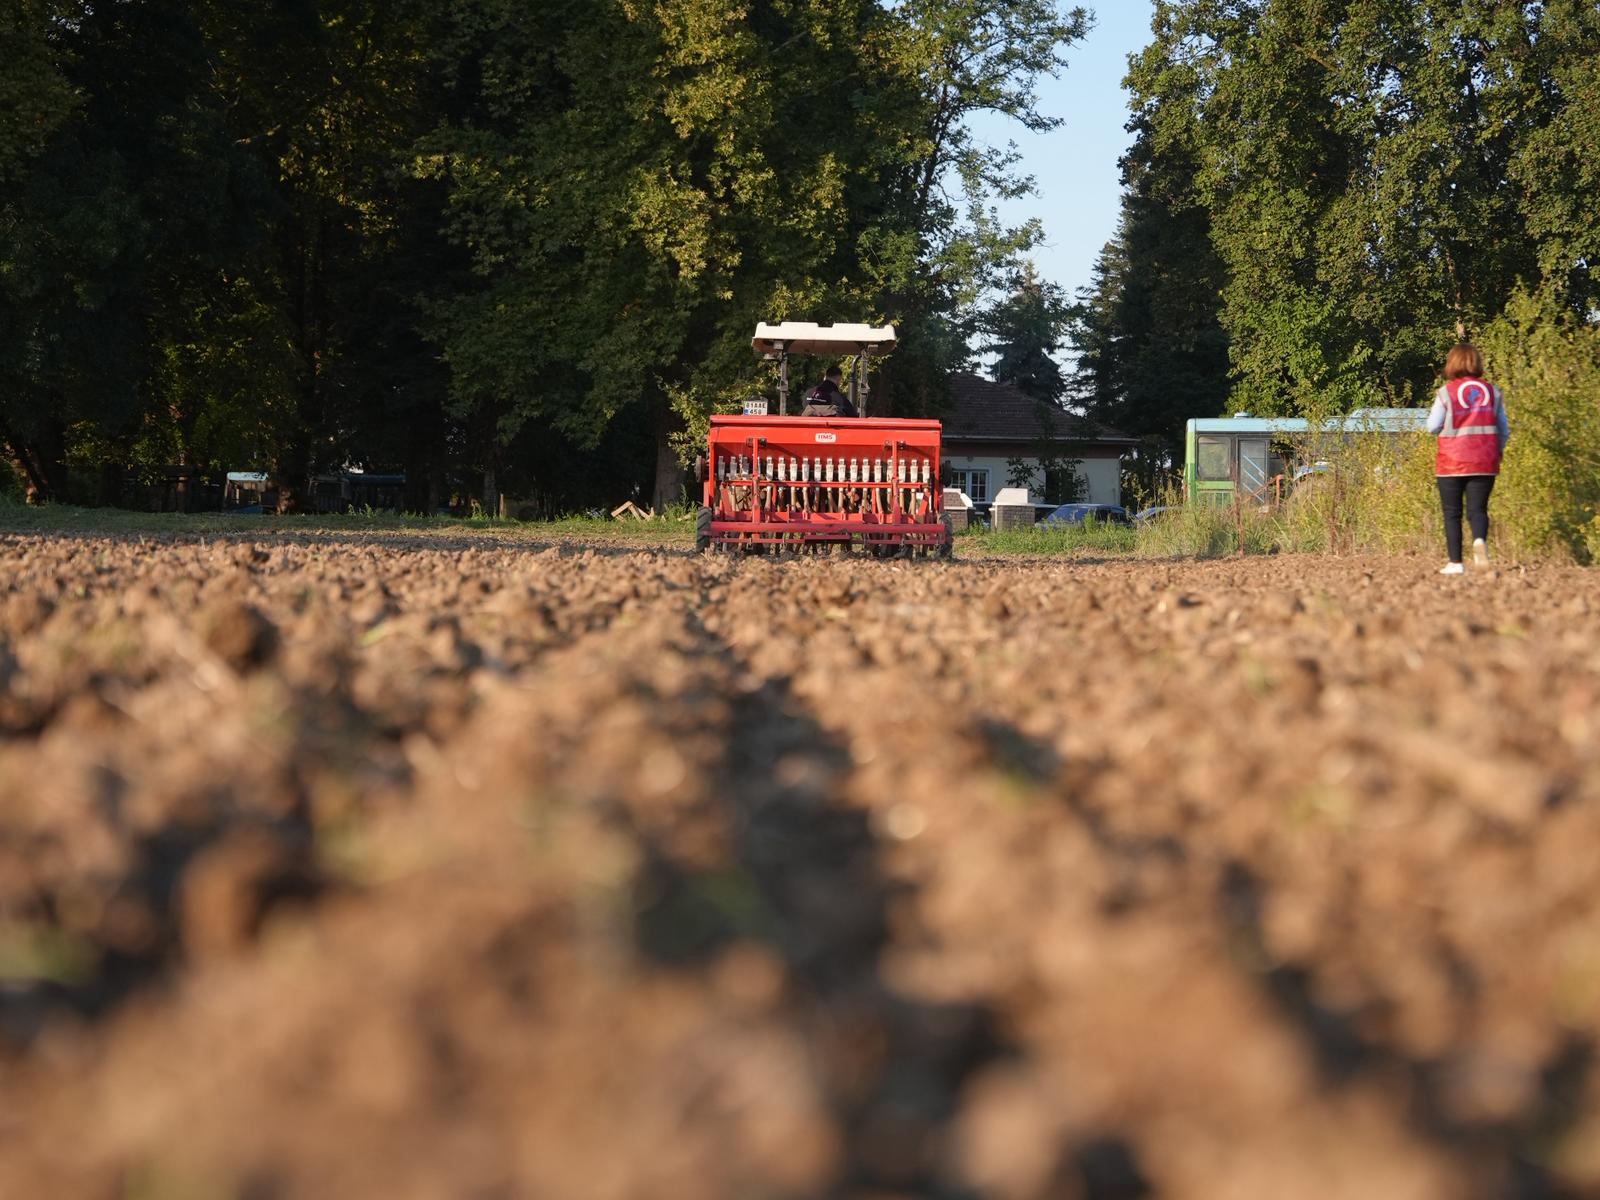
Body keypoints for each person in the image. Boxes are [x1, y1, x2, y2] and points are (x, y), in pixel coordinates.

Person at [1427, 342, 1508, 575]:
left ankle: (1455, 563)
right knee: (1478, 510)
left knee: (1452, 512)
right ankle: (1479, 541)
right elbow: (1504, 430)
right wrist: (1497, 451)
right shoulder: (1493, 393)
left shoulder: (1446, 393)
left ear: (1452, 363)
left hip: (1451, 462)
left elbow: (1432, 426)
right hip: (1485, 460)